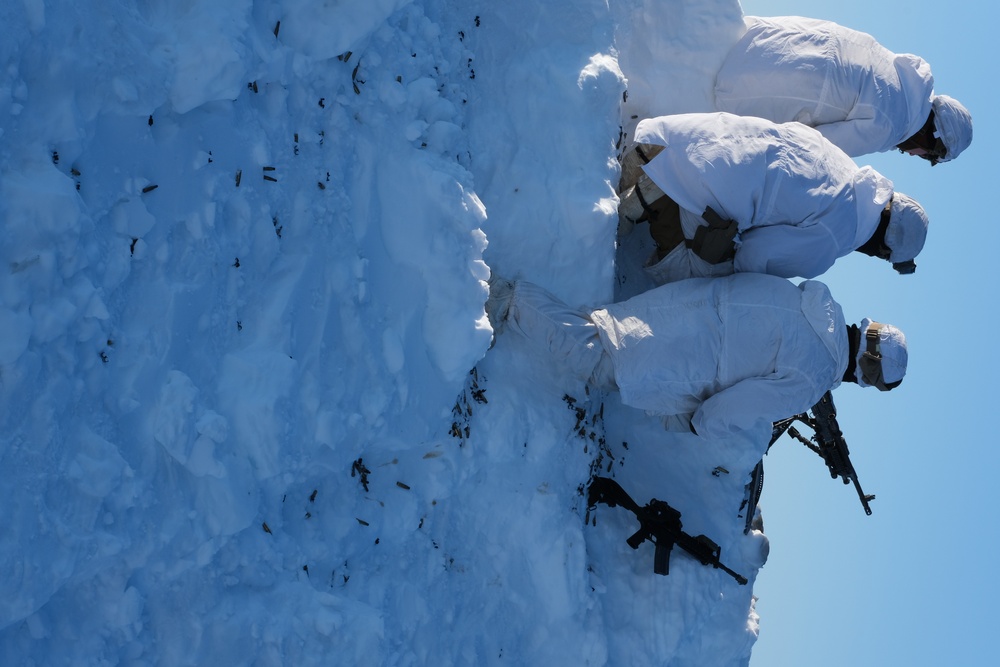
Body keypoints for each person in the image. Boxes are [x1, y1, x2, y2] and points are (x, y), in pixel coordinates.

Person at [486, 273, 907, 441]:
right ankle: (507, 299)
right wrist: (697, 426)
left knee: (607, 333)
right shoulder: (811, 379)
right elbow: (728, 410)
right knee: (600, 361)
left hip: (686, 306)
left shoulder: (814, 299)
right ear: (868, 372)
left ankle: (515, 304)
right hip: (692, 357)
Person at [618, 112, 928, 285]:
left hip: (685, 132)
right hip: (696, 189)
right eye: (884, 256)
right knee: (718, 278)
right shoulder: (836, 237)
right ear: (884, 248)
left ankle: (653, 161)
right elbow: (754, 256)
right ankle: (650, 201)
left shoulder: (843, 164)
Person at [713, 15, 972, 164]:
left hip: (752, 36)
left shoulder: (892, 67)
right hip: (737, 89)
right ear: (932, 137)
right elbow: (813, 147)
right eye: (927, 156)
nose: (915, 155)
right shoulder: (893, 124)